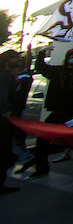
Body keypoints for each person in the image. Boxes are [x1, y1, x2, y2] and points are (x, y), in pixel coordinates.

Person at [28, 45, 73, 179]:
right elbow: (41, 67)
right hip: (59, 113)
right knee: (42, 141)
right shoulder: (58, 72)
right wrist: (42, 52)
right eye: (72, 57)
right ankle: (42, 167)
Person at [1, 50, 22, 195]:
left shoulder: (8, 75)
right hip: (3, 121)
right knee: (3, 152)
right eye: (16, 59)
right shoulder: (5, 76)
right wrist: (6, 111)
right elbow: (2, 96)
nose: (18, 61)